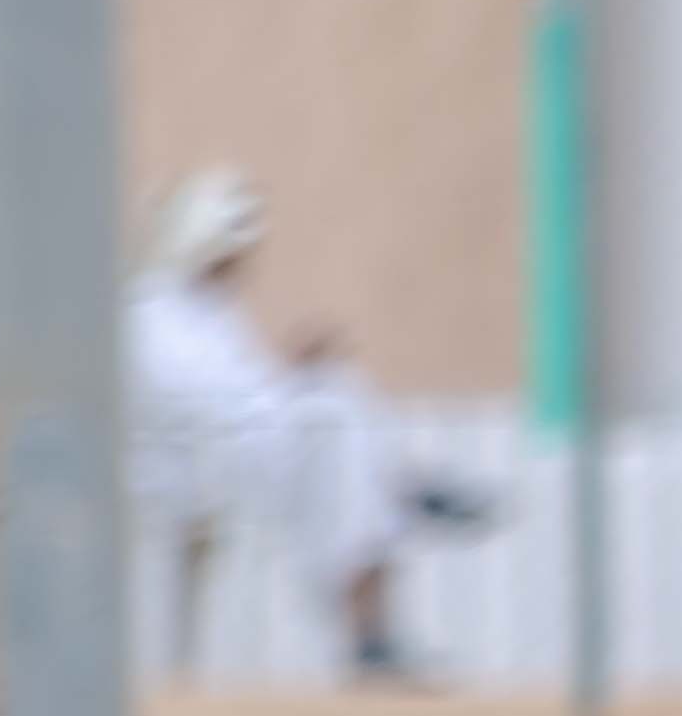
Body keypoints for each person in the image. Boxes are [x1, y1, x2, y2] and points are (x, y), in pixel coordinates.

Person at [125, 171, 481, 687]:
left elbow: (240, 395)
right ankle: (404, 497)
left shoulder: (209, 312)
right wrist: (287, 381)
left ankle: (393, 520)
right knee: (336, 419)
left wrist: (287, 380)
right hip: (192, 469)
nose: (238, 264)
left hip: (244, 453)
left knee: (338, 403)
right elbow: (208, 405)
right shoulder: (153, 313)